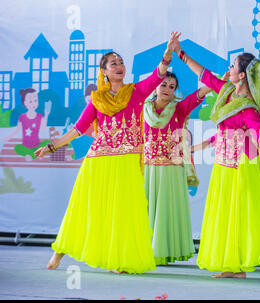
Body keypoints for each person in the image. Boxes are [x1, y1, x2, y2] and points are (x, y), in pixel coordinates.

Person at [34, 32, 180, 274]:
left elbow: (159, 74)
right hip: (98, 161)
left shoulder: (136, 92)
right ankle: (59, 252)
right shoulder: (97, 100)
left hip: (126, 162)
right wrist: (51, 146)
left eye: (121, 62)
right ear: (104, 71)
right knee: (84, 207)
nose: (120, 66)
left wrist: (168, 52)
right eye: (114, 63)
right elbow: (77, 130)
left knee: (124, 211)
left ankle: (119, 258)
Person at [174, 39, 260, 282]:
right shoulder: (226, 92)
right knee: (229, 215)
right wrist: (181, 54)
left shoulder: (248, 106)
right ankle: (235, 264)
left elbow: (259, 131)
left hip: (244, 164)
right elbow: (204, 75)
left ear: (242, 75)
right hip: (224, 164)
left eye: (232, 66)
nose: (228, 69)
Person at [142, 71, 212, 265]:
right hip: (147, 168)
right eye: (163, 84)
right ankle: (144, 250)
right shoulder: (143, 108)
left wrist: (217, 80)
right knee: (146, 209)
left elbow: (199, 94)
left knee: (166, 209)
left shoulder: (179, 108)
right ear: (155, 86)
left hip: (171, 169)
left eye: (171, 87)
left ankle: (164, 252)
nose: (167, 89)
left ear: (175, 91)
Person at [4, 88, 50, 161]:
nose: (34, 103)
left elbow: (43, 128)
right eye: (30, 101)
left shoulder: (39, 116)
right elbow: (17, 130)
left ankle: (30, 155)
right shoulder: (22, 117)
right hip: (25, 145)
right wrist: (8, 137)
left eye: (35, 101)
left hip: (37, 145)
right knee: (17, 148)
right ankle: (35, 154)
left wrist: (46, 115)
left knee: (48, 143)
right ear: (25, 103)